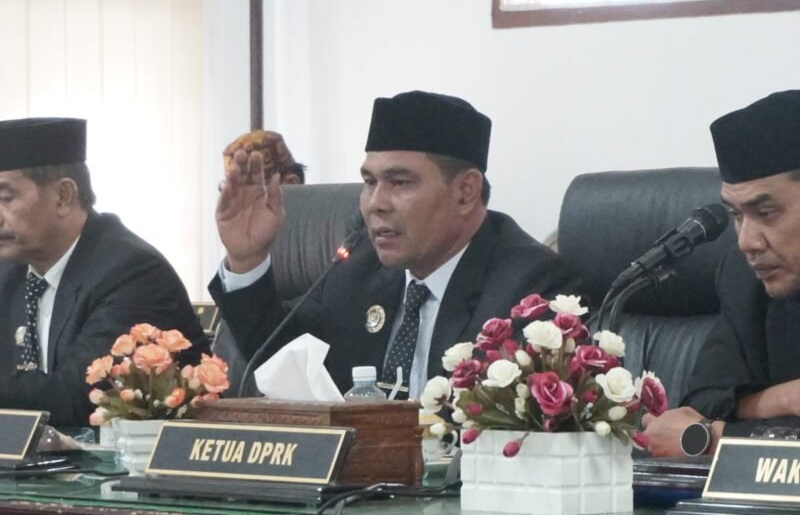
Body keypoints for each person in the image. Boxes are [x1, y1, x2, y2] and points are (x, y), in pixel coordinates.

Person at [209, 90, 578, 398]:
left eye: (400, 182)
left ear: (466, 191)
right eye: (370, 182)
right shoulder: (358, 269)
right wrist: (247, 259)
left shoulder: (530, 287)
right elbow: (284, 359)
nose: (375, 203)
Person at [0, 117, 209, 426]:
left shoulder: (131, 272)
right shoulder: (10, 272)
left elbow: (78, 396)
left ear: (63, 196)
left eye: (5, 198)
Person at [643, 90, 800, 456]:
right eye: (736, 215)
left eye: (767, 212)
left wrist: (713, 441)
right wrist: (783, 398)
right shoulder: (743, 278)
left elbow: (698, 429)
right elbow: (703, 401)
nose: (747, 242)